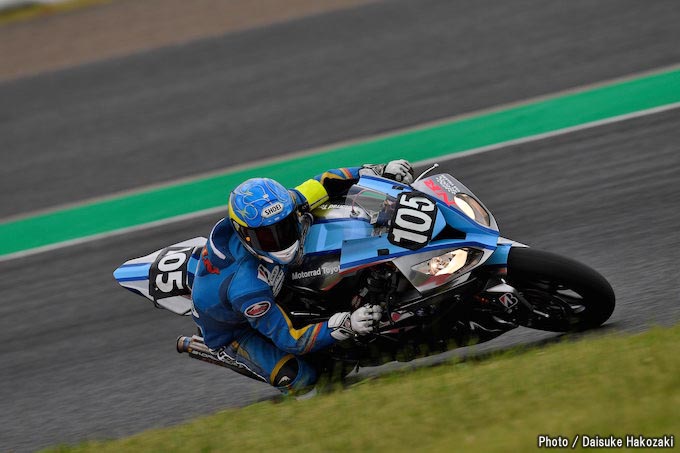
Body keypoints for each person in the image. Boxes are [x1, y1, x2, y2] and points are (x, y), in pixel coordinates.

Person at [190, 160, 414, 395]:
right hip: (236, 331)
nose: (281, 240)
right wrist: (345, 323)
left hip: (273, 281)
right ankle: (226, 351)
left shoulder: (283, 206)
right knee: (305, 381)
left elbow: (324, 182)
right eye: (269, 237)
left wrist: (376, 170)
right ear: (246, 236)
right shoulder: (248, 288)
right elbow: (291, 339)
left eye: (286, 227)